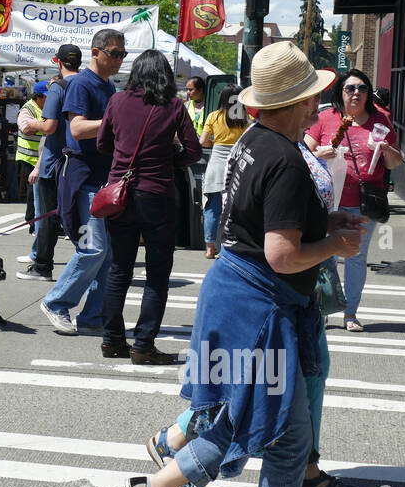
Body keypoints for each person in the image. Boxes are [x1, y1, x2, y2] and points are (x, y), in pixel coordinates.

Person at [125, 41, 364, 487]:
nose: (318, 106)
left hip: (237, 296)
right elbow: (282, 254)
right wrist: (336, 244)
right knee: (268, 429)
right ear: (294, 103)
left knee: (270, 427)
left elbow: (258, 222)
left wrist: (323, 222)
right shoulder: (287, 161)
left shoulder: (255, 139)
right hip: (258, 307)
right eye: (312, 98)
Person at [97, 49, 201, 363]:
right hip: (158, 195)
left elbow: (103, 144)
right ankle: (143, 345)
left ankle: (112, 340)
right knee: (157, 274)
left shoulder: (117, 101)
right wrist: (169, 160)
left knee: (119, 270)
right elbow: (193, 151)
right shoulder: (174, 105)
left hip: (121, 194)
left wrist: (124, 159)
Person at [303, 68, 404, 331]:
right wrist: (319, 154)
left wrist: (384, 149)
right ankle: (325, 306)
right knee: (325, 256)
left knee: (356, 257)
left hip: (363, 202)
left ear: (368, 94)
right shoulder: (326, 118)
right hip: (327, 202)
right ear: (341, 93)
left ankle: (350, 313)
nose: (356, 93)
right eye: (350, 88)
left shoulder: (380, 120)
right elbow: (304, 152)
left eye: (362, 88)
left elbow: (395, 161)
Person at [39, 30, 125, 334]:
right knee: (93, 249)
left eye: (122, 55)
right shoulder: (81, 84)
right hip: (85, 176)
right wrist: (114, 121)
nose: (119, 59)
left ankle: (92, 317)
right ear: (96, 51)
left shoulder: (109, 85)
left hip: (104, 178)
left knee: (108, 254)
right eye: (115, 53)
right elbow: (76, 129)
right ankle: (56, 302)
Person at [19, 45, 82, 282]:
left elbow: (49, 126)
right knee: (80, 215)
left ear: (58, 61)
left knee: (48, 216)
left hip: (55, 162)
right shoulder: (93, 83)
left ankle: (42, 265)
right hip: (82, 161)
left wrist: (32, 124)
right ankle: (90, 259)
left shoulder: (58, 86)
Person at [201, 83, 249, 260]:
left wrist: (216, 144)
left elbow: (203, 141)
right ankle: (227, 247)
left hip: (216, 165)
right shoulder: (246, 118)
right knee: (233, 208)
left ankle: (209, 247)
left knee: (212, 207)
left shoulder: (214, 116)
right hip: (238, 165)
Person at [16, 81, 48, 230]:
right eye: (46, 97)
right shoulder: (27, 109)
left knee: (41, 191)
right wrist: (43, 124)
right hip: (28, 156)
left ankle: (39, 221)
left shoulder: (46, 107)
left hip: (41, 157)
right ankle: (31, 223)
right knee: (32, 192)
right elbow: (25, 129)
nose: (48, 99)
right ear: (38, 96)